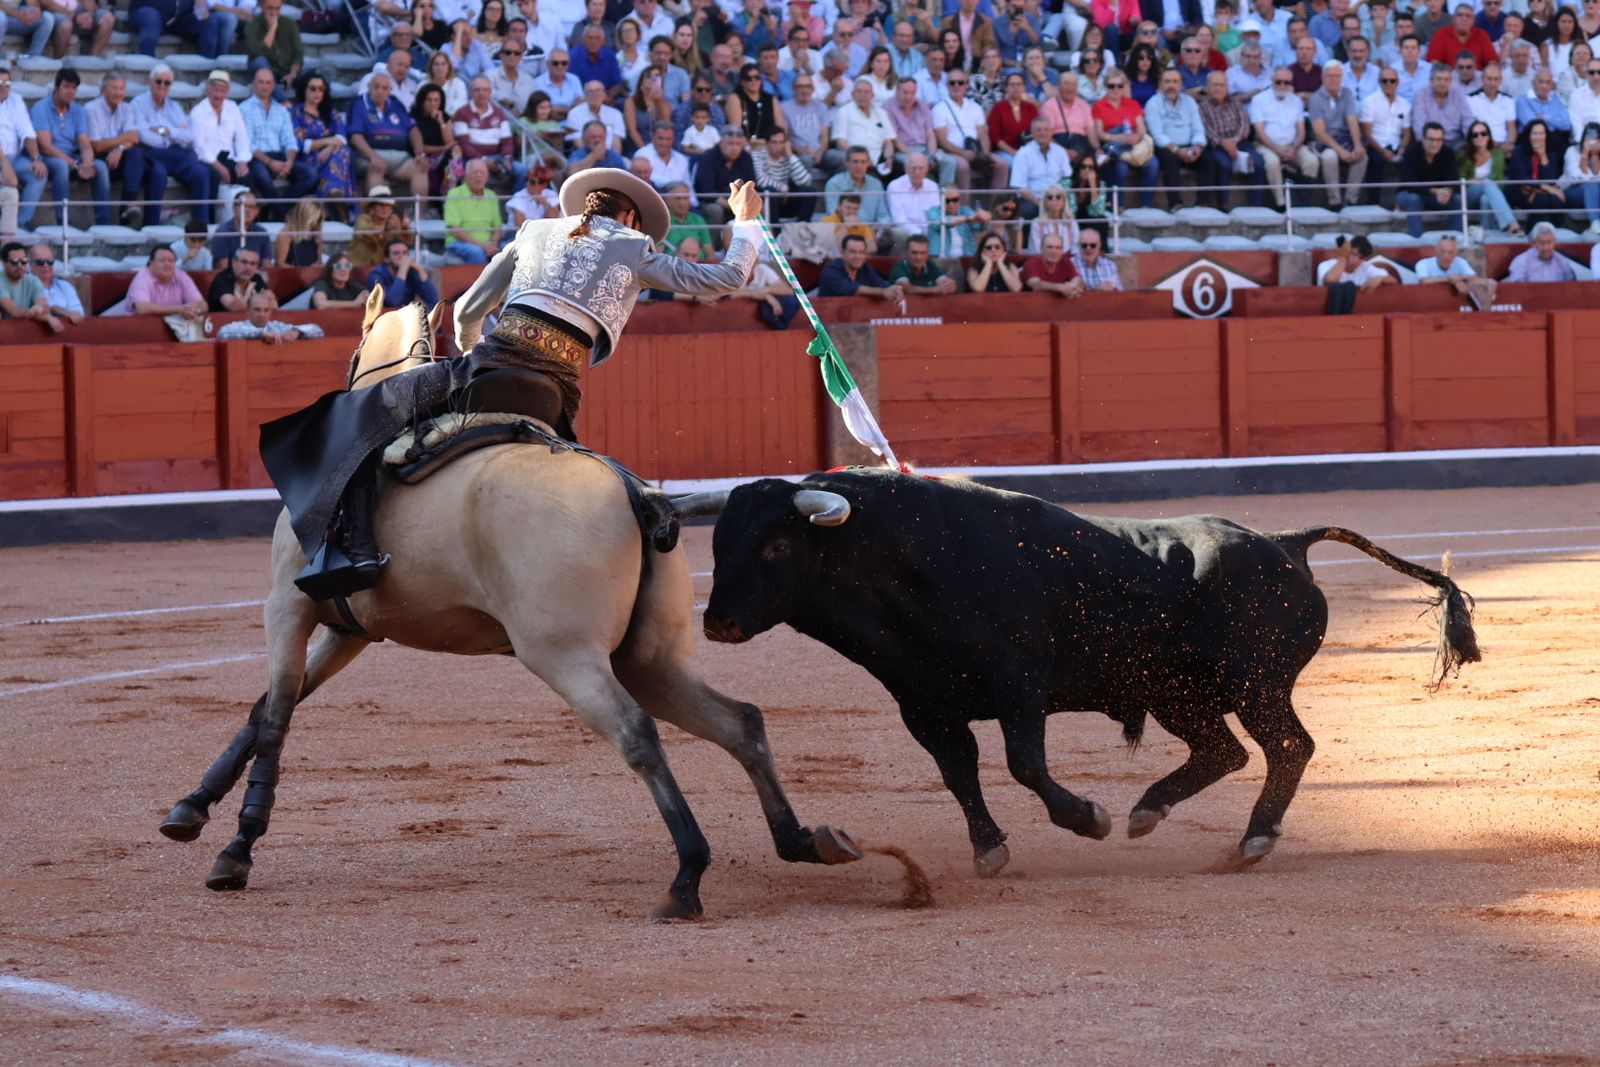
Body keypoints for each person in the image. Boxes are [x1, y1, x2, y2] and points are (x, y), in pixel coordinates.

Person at [30, 67, 110, 227]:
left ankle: (103, 222)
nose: (70, 91)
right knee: (61, 166)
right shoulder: (40, 108)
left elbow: (85, 144)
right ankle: (63, 222)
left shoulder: (78, 111)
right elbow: (45, 146)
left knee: (99, 166)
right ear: (56, 87)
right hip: (49, 157)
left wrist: (87, 163)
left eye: (74, 88)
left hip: (73, 156)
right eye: (66, 86)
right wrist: (74, 164)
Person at [241, 68, 318, 216]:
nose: (264, 86)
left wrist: (288, 163)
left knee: (311, 174)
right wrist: (270, 163)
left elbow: (290, 140)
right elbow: (247, 144)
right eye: (261, 82)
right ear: (253, 84)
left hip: (281, 156)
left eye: (268, 83)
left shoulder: (281, 110)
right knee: (261, 175)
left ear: (273, 85)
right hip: (257, 158)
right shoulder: (243, 109)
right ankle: (280, 213)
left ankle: (277, 210)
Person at [349, 72, 429, 197]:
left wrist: (419, 153)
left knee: (420, 168)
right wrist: (372, 156)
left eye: (385, 88)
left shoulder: (396, 104)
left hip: (400, 159)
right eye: (376, 87)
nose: (380, 91)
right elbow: (355, 137)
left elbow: (413, 130)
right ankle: (376, 214)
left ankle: (419, 215)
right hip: (370, 154)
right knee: (376, 167)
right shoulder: (359, 104)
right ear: (369, 87)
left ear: (390, 90)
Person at [1146, 67, 1215, 207]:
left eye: (1175, 81)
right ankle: (1176, 204)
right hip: (1167, 148)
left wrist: (1197, 147)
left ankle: (1203, 204)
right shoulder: (1153, 103)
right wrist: (1177, 150)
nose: (1171, 85)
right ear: (1161, 85)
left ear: (1181, 85)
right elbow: (1158, 135)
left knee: (1209, 159)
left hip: (1189, 146)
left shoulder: (1189, 102)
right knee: (1170, 159)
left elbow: (1198, 129)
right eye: (1167, 81)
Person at [1200, 70, 1265, 207]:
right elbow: (1206, 129)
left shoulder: (1236, 102)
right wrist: (1224, 143)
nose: (1218, 88)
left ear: (1227, 87)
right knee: (1224, 165)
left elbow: (1244, 125)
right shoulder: (1203, 106)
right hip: (1217, 145)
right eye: (1214, 85)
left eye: (1221, 85)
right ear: (1208, 87)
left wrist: (1234, 141)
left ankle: (1256, 204)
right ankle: (1223, 204)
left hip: (1239, 141)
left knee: (1258, 162)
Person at [1307, 61, 1367, 207]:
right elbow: (1320, 132)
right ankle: (1335, 201)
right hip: (1323, 141)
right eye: (1329, 76)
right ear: (1322, 77)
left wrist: (1358, 145)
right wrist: (1340, 151)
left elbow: (1352, 121)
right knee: (1330, 157)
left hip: (1343, 138)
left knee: (1362, 155)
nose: (1333, 79)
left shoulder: (1347, 93)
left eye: (1337, 76)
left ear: (1342, 78)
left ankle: (1350, 200)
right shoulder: (1315, 98)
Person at [1397, 121, 1461, 237]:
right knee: (1414, 199)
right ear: (1423, 139)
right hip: (1408, 193)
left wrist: (1447, 192)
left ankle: (1456, 239)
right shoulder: (1411, 151)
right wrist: (1435, 191)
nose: (1435, 144)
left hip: (1434, 196)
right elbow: (1409, 183)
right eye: (1431, 139)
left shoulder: (1448, 153)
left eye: (1439, 140)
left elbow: (1454, 180)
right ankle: (1416, 241)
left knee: (1456, 199)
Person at [445, 157, 505, 262]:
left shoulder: (491, 196)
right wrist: (481, 245)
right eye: (475, 172)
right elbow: (455, 230)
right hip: (460, 242)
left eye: (482, 172)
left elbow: (497, 227)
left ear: (487, 177)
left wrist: (493, 244)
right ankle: (481, 279)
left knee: (509, 249)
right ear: (466, 176)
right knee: (476, 252)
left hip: (488, 243)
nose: (479, 175)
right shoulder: (454, 194)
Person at [1010, 116, 1072, 215]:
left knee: (1073, 208)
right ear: (1032, 133)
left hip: (1058, 198)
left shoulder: (1060, 152)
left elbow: (1067, 179)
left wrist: (1057, 201)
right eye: (1038, 130)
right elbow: (1021, 188)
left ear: (1051, 132)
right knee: (1028, 211)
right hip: (1033, 200)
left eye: (1046, 129)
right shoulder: (1023, 153)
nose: (1042, 132)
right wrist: (1040, 204)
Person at [1416, 231, 1496, 306]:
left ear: (1455, 253)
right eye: (1442, 251)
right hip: (1428, 302)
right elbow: (1424, 281)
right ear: (1436, 251)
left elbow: (1474, 278)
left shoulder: (1460, 261)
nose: (1446, 256)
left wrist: (1460, 279)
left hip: (1454, 303)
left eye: (1450, 252)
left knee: (1490, 283)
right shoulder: (1423, 263)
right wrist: (1450, 279)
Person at [126, 246, 207, 321]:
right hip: (138, 326)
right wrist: (180, 309)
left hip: (173, 326)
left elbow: (202, 304)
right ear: (151, 263)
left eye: (171, 261)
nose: (167, 264)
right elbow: (142, 308)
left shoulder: (181, 276)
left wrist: (193, 311)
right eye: (162, 260)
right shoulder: (142, 278)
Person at [817, 232, 904, 299]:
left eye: (861, 252)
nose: (857, 256)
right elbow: (852, 289)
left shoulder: (866, 269)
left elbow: (882, 284)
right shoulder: (830, 271)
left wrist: (894, 289)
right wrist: (882, 292)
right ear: (843, 253)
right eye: (852, 252)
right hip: (827, 319)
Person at [219, 289, 326, 341]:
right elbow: (223, 333)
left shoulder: (276, 327)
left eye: (266, 310)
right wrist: (261, 334)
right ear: (248, 311)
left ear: (270, 312)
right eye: (257, 310)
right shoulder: (239, 327)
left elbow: (317, 330)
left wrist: (297, 332)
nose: (262, 314)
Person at [364, 235, 440, 309]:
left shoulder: (411, 272)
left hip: (405, 317)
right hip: (383, 317)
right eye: (396, 253)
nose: (402, 256)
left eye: (404, 253)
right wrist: (402, 270)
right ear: (387, 259)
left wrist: (420, 270)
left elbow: (434, 301)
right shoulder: (376, 276)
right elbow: (393, 303)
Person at [0, 240, 60, 331]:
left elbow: (44, 307)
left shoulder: (33, 280)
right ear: (4, 263)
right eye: (14, 262)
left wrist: (39, 309)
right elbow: (13, 311)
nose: (20, 266)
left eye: (23, 261)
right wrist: (42, 316)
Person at [244, 0, 303, 90]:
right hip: (261, 71)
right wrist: (273, 28)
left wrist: (292, 75)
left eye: (277, 8)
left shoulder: (289, 24)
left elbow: (298, 54)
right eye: (270, 8)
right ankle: (283, 101)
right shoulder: (252, 25)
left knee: (313, 77)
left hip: (285, 72)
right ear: (262, 6)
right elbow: (259, 52)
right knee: (261, 62)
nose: (273, 12)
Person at [212, 190, 273, 270]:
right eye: (243, 206)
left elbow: (267, 267)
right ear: (234, 208)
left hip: (256, 279)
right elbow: (222, 270)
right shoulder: (223, 233)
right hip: (229, 280)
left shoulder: (262, 233)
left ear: (257, 211)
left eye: (251, 207)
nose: (247, 210)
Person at [27, 243, 81, 325]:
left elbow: (79, 314)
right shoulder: (22, 286)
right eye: (40, 262)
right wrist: (59, 310)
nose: (46, 265)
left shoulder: (65, 286)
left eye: (50, 261)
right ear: (30, 264)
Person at [1506, 220, 1577, 280]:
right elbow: (1516, 290)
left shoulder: (1562, 261)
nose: (1546, 247)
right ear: (1534, 243)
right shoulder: (1521, 261)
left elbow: (1570, 286)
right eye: (1542, 243)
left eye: (1549, 242)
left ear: (1554, 242)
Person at [1021, 231, 1083, 297]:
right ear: (1041, 248)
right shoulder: (1031, 263)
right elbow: (1036, 285)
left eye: (1058, 248)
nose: (1054, 251)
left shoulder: (1066, 262)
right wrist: (1060, 288)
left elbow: (1078, 279)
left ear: (1062, 251)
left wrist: (1073, 286)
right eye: (1049, 247)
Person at [207, 244, 267, 311]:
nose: (248, 267)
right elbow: (233, 305)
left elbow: (273, 303)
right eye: (244, 262)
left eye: (252, 263)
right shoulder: (222, 278)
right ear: (234, 262)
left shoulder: (256, 277)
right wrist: (261, 305)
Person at [888, 233, 955, 293]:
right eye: (914, 252)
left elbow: (945, 283)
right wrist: (936, 289)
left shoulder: (930, 266)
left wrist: (949, 285)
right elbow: (908, 289)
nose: (918, 257)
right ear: (906, 252)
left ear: (928, 253)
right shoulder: (899, 268)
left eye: (923, 253)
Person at [275, 196, 324, 267]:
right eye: (313, 221)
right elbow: (280, 263)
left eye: (318, 220)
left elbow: (319, 261)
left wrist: (317, 265)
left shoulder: (317, 235)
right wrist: (301, 272)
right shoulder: (286, 236)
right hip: (291, 274)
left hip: (311, 274)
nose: (315, 224)